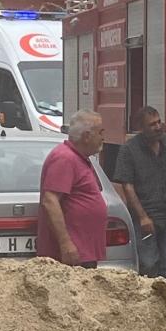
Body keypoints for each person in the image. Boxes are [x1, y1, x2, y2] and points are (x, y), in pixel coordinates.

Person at [114, 106, 166, 282]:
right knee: (149, 264)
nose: (158, 127)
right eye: (152, 125)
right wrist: (143, 217)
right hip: (145, 217)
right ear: (141, 128)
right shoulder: (129, 150)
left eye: (159, 122)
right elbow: (127, 186)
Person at [37, 110, 107, 268]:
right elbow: (50, 201)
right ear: (87, 136)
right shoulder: (65, 158)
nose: (103, 137)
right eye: (100, 132)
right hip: (71, 255)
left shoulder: (78, 158)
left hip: (83, 253)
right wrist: (66, 244)